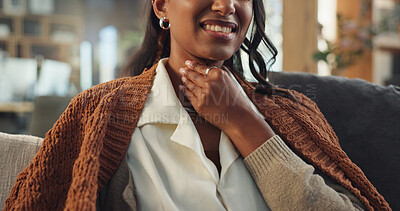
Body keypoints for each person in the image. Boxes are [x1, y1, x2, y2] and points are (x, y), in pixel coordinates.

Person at [4, 0, 390, 210]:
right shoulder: (101, 110)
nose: (226, 5)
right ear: (161, 6)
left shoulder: (294, 111)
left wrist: (244, 122)